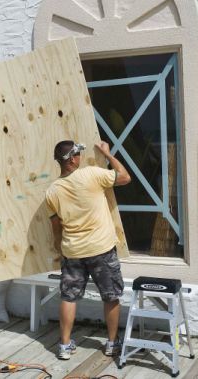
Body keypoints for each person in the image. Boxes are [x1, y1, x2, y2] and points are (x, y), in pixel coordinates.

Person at [45, 140, 132, 359]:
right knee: (110, 297)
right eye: (78, 154)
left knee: (69, 297)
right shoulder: (92, 174)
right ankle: (112, 344)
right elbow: (124, 177)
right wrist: (107, 154)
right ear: (73, 159)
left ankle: (64, 346)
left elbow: (56, 227)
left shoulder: (52, 191)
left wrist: (59, 246)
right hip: (101, 247)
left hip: (72, 251)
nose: (81, 158)